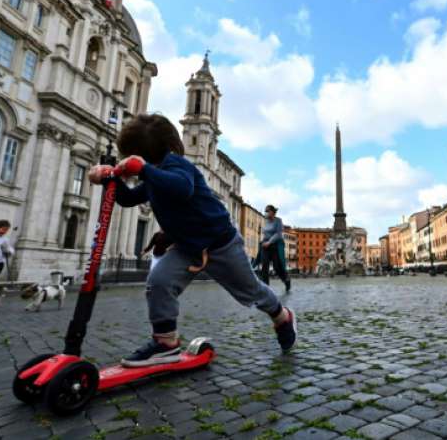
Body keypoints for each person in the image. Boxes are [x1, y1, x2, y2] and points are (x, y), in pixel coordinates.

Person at [88, 113, 297, 367]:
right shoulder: (152, 176)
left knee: (251, 291)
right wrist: (111, 179)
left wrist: (144, 170)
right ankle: (166, 343)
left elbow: (181, 188)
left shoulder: (178, 165)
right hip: (186, 247)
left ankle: (282, 317)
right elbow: (128, 199)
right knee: (159, 281)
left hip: (221, 244)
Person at [259, 205, 291, 292]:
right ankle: (266, 288)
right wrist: (263, 242)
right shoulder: (265, 221)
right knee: (264, 266)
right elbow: (265, 234)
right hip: (265, 246)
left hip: (274, 246)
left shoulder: (278, 221)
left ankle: (286, 280)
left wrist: (269, 242)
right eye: (265, 211)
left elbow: (278, 234)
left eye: (267, 211)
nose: (265, 212)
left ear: (272, 212)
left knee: (277, 267)